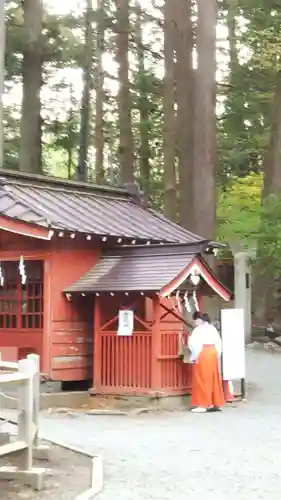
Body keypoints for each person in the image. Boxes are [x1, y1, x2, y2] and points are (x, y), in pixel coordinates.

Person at [188, 311, 224, 413]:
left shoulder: (198, 330)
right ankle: (216, 403)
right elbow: (218, 342)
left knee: (201, 379)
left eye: (195, 320)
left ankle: (202, 404)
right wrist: (217, 354)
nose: (195, 322)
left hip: (202, 353)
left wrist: (193, 357)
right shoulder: (212, 329)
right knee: (213, 378)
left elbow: (194, 345)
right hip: (212, 352)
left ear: (199, 320)